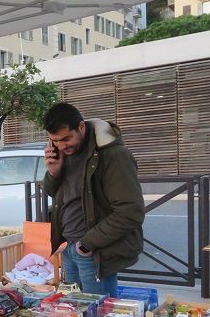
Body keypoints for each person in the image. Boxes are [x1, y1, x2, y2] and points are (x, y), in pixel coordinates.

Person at [42, 102, 144, 296]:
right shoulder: (64, 154)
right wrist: (53, 173)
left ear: (81, 127)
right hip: (70, 248)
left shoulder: (113, 155)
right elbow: (54, 194)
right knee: (75, 315)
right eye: (54, 141)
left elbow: (131, 211)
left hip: (93, 251)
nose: (61, 146)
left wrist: (86, 244)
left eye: (66, 139)